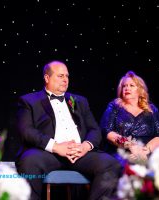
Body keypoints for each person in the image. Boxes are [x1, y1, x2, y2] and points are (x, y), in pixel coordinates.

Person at [15, 60, 121, 200]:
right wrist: (56, 147)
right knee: (29, 162)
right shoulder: (29, 100)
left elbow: (94, 129)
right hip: (47, 154)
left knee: (110, 164)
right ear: (47, 78)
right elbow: (26, 131)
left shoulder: (79, 101)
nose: (65, 80)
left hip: (79, 154)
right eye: (60, 76)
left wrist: (85, 146)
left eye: (67, 76)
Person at [100, 71, 159, 162]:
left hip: (145, 153)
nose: (127, 88)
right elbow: (107, 131)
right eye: (124, 86)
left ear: (140, 90)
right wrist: (131, 146)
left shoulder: (151, 109)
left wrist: (144, 151)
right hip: (120, 153)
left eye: (131, 85)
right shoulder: (115, 106)